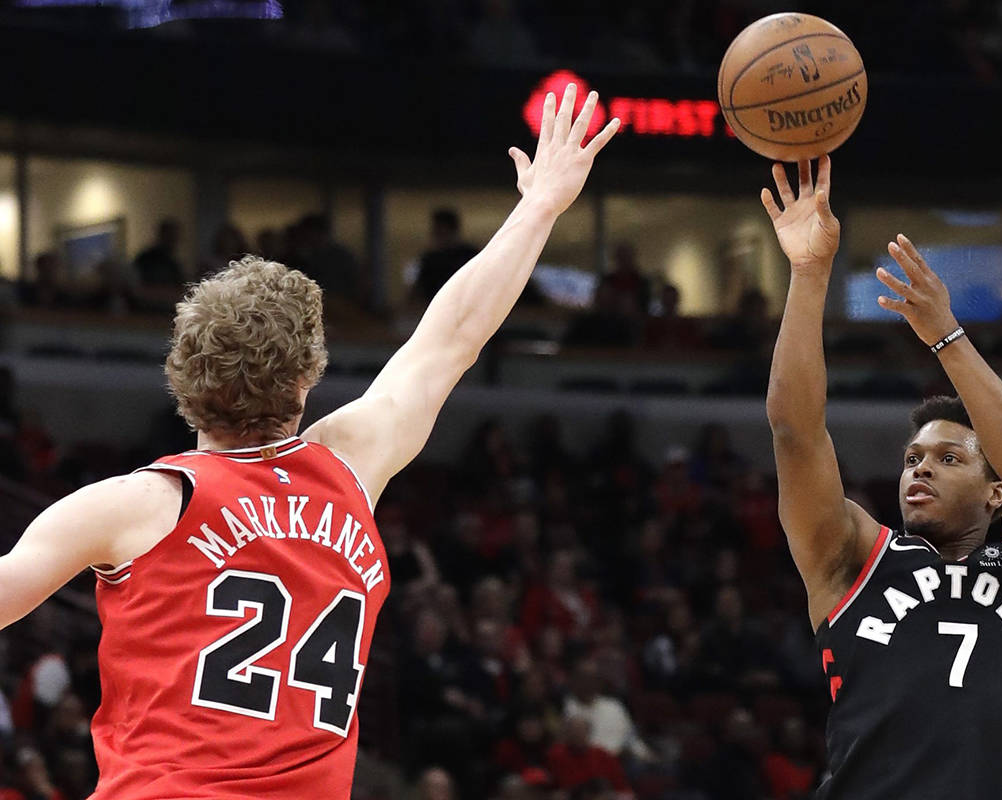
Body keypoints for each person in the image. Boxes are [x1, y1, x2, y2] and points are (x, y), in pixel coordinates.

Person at [0, 84, 620, 800]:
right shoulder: (351, 466)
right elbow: (452, 338)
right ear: (308, 379)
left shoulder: (133, 505)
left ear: (181, 373)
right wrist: (540, 205)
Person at [762, 156, 1002, 800]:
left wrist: (946, 337)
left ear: (995, 495)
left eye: (949, 458)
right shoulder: (854, 556)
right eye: (912, 459)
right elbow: (796, 433)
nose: (921, 468)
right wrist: (807, 273)